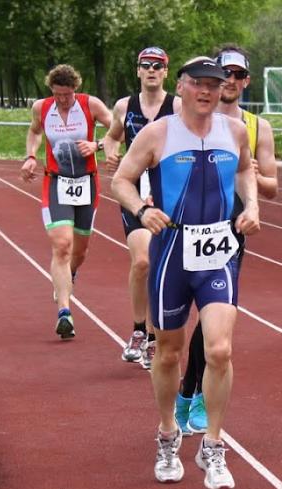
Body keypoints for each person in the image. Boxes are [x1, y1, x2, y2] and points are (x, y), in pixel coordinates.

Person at [111, 56, 259, 489]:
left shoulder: (234, 131)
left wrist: (251, 205)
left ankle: (213, 445)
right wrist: (142, 211)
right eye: (198, 83)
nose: (207, 91)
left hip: (218, 251)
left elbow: (245, 170)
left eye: (214, 84)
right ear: (181, 86)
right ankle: (167, 434)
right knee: (168, 353)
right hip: (172, 251)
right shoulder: (158, 134)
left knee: (219, 350)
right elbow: (121, 180)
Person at [174, 45, 279, 437]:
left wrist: (248, 172)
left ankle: (196, 393)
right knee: (176, 321)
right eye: (224, 74)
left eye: (237, 75)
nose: (230, 81)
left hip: (228, 228)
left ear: (246, 81)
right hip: (185, 223)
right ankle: (183, 388)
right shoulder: (191, 115)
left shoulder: (255, 127)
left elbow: (272, 186)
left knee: (213, 316)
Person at [19, 64, 112, 339]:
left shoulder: (90, 105)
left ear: (75, 89)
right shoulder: (41, 107)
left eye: (67, 95)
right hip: (56, 182)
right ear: (51, 90)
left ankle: (68, 276)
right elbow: (35, 131)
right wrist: (31, 156)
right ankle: (64, 312)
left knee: (79, 252)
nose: (62, 99)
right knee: (62, 245)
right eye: (57, 94)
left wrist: (97, 145)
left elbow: (117, 129)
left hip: (87, 183)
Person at [103, 47, 181, 367]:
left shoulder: (177, 106)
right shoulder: (124, 106)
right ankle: (139, 331)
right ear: (137, 70)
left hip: (167, 193)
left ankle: (153, 335)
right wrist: (110, 153)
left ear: (166, 72)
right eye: (145, 65)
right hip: (134, 192)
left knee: (163, 266)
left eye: (157, 66)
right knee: (143, 262)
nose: (151, 70)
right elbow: (111, 137)